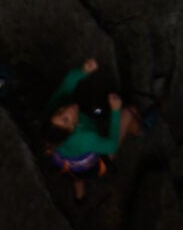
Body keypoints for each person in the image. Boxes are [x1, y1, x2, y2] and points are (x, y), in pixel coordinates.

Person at [46, 56, 132, 201]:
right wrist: (116, 111)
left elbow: (67, 84)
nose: (67, 110)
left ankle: (80, 196)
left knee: (77, 175)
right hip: (92, 166)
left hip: (64, 164)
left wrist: (83, 71)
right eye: (66, 119)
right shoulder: (85, 137)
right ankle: (142, 127)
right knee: (129, 113)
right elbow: (111, 146)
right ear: (72, 130)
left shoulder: (50, 112)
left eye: (60, 112)